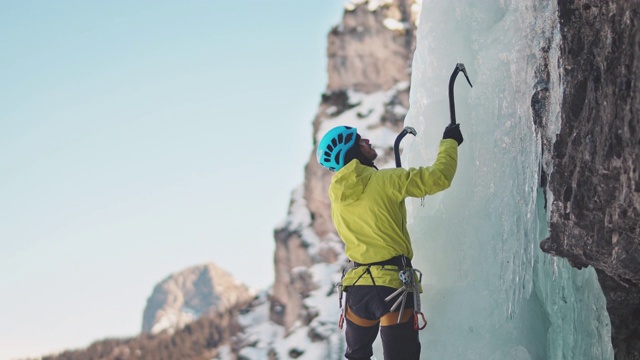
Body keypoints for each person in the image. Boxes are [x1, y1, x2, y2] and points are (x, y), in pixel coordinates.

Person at [316, 123, 463, 360]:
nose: (368, 142)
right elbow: (439, 177)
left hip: (357, 289)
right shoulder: (386, 180)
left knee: (357, 356)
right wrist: (450, 142)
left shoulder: (338, 200)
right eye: (361, 141)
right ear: (352, 152)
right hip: (391, 287)